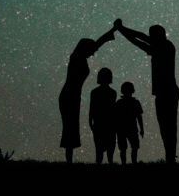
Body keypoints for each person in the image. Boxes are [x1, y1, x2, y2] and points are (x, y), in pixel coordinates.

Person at [114, 19, 179, 164]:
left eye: (153, 35)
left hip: (167, 92)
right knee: (166, 127)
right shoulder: (164, 46)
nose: (151, 38)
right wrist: (122, 29)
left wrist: (121, 29)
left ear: (158, 36)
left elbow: (139, 40)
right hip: (166, 92)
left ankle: (170, 159)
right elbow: (140, 38)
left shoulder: (164, 47)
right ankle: (170, 158)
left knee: (168, 127)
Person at [59, 26, 116, 164]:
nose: (94, 54)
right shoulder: (76, 57)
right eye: (92, 51)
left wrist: (110, 33)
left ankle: (69, 161)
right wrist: (111, 32)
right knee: (70, 128)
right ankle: (69, 161)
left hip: (72, 96)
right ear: (85, 48)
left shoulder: (79, 58)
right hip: (69, 96)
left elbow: (95, 45)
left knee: (71, 128)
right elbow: (96, 45)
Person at [89, 68, 117, 164]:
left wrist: (90, 122)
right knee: (110, 147)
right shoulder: (113, 93)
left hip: (99, 122)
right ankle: (109, 162)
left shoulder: (94, 92)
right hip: (109, 123)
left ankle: (100, 163)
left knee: (99, 148)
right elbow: (113, 110)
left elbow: (92, 108)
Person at [115, 81, 143, 165]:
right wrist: (142, 129)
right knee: (134, 146)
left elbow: (115, 117)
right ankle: (133, 162)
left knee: (123, 148)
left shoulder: (119, 103)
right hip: (132, 128)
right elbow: (139, 117)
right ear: (133, 90)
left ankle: (124, 163)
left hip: (121, 128)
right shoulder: (135, 102)